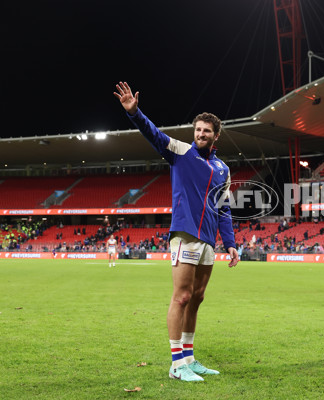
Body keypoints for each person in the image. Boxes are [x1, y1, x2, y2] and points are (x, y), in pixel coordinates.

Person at [114, 81, 239, 382]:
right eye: (197, 129)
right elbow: (153, 135)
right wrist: (135, 113)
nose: (200, 134)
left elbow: (224, 209)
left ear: (215, 135)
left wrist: (231, 244)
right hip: (184, 235)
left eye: (206, 131)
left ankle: (190, 357)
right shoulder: (181, 152)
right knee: (181, 297)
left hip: (209, 241)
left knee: (197, 298)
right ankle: (175, 364)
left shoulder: (223, 169)